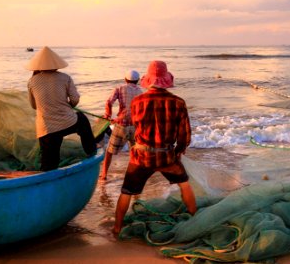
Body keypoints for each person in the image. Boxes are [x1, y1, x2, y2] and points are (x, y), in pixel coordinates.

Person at [113, 60, 197, 235]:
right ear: (166, 80)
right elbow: (184, 135)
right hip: (167, 156)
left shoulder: (137, 102)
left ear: (148, 80)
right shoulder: (178, 102)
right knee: (185, 185)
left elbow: (135, 127)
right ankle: (194, 220)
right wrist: (178, 151)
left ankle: (117, 227)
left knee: (126, 191)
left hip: (141, 157)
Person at [25, 46, 97, 171]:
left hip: (46, 128)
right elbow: (74, 99)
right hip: (68, 121)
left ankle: (46, 182)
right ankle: (91, 152)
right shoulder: (65, 78)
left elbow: (34, 106)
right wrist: (68, 106)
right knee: (82, 120)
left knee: (49, 163)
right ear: (56, 64)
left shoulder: (32, 81)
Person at [100, 70, 144, 180]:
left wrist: (108, 115)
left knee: (109, 151)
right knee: (134, 152)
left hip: (121, 125)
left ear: (125, 79)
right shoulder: (141, 92)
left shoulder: (119, 88)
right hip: (135, 127)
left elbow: (109, 102)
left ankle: (104, 175)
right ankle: (135, 174)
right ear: (137, 81)